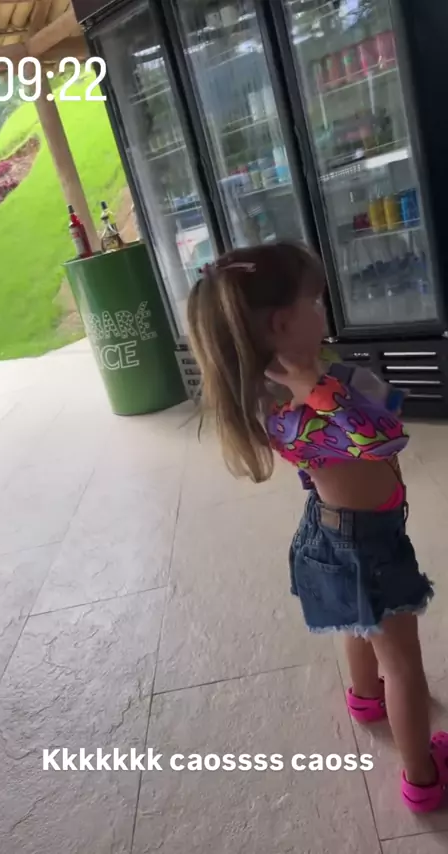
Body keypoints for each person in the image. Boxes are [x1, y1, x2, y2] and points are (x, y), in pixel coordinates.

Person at [187, 241, 447, 812]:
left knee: (355, 620)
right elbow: (387, 436)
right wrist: (323, 389)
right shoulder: (336, 385)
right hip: (371, 540)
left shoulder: (260, 394)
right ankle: (423, 777)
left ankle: (364, 698)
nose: (323, 310)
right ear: (284, 323)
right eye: (316, 301)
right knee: (403, 664)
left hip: (325, 529)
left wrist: (316, 386)